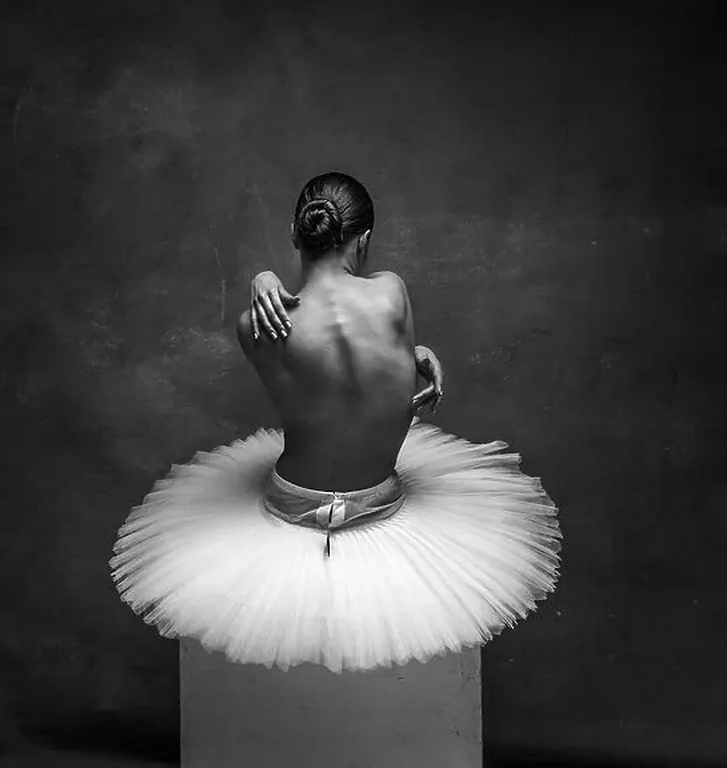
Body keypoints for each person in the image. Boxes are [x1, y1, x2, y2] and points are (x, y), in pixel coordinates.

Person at [111, 172, 561, 674]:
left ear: (294, 232)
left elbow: (319, 368)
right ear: (363, 239)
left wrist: (262, 276)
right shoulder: (392, 293)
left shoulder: (254, 327)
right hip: (378, 501)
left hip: (292, 503)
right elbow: (374, 386)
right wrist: (413, 353)